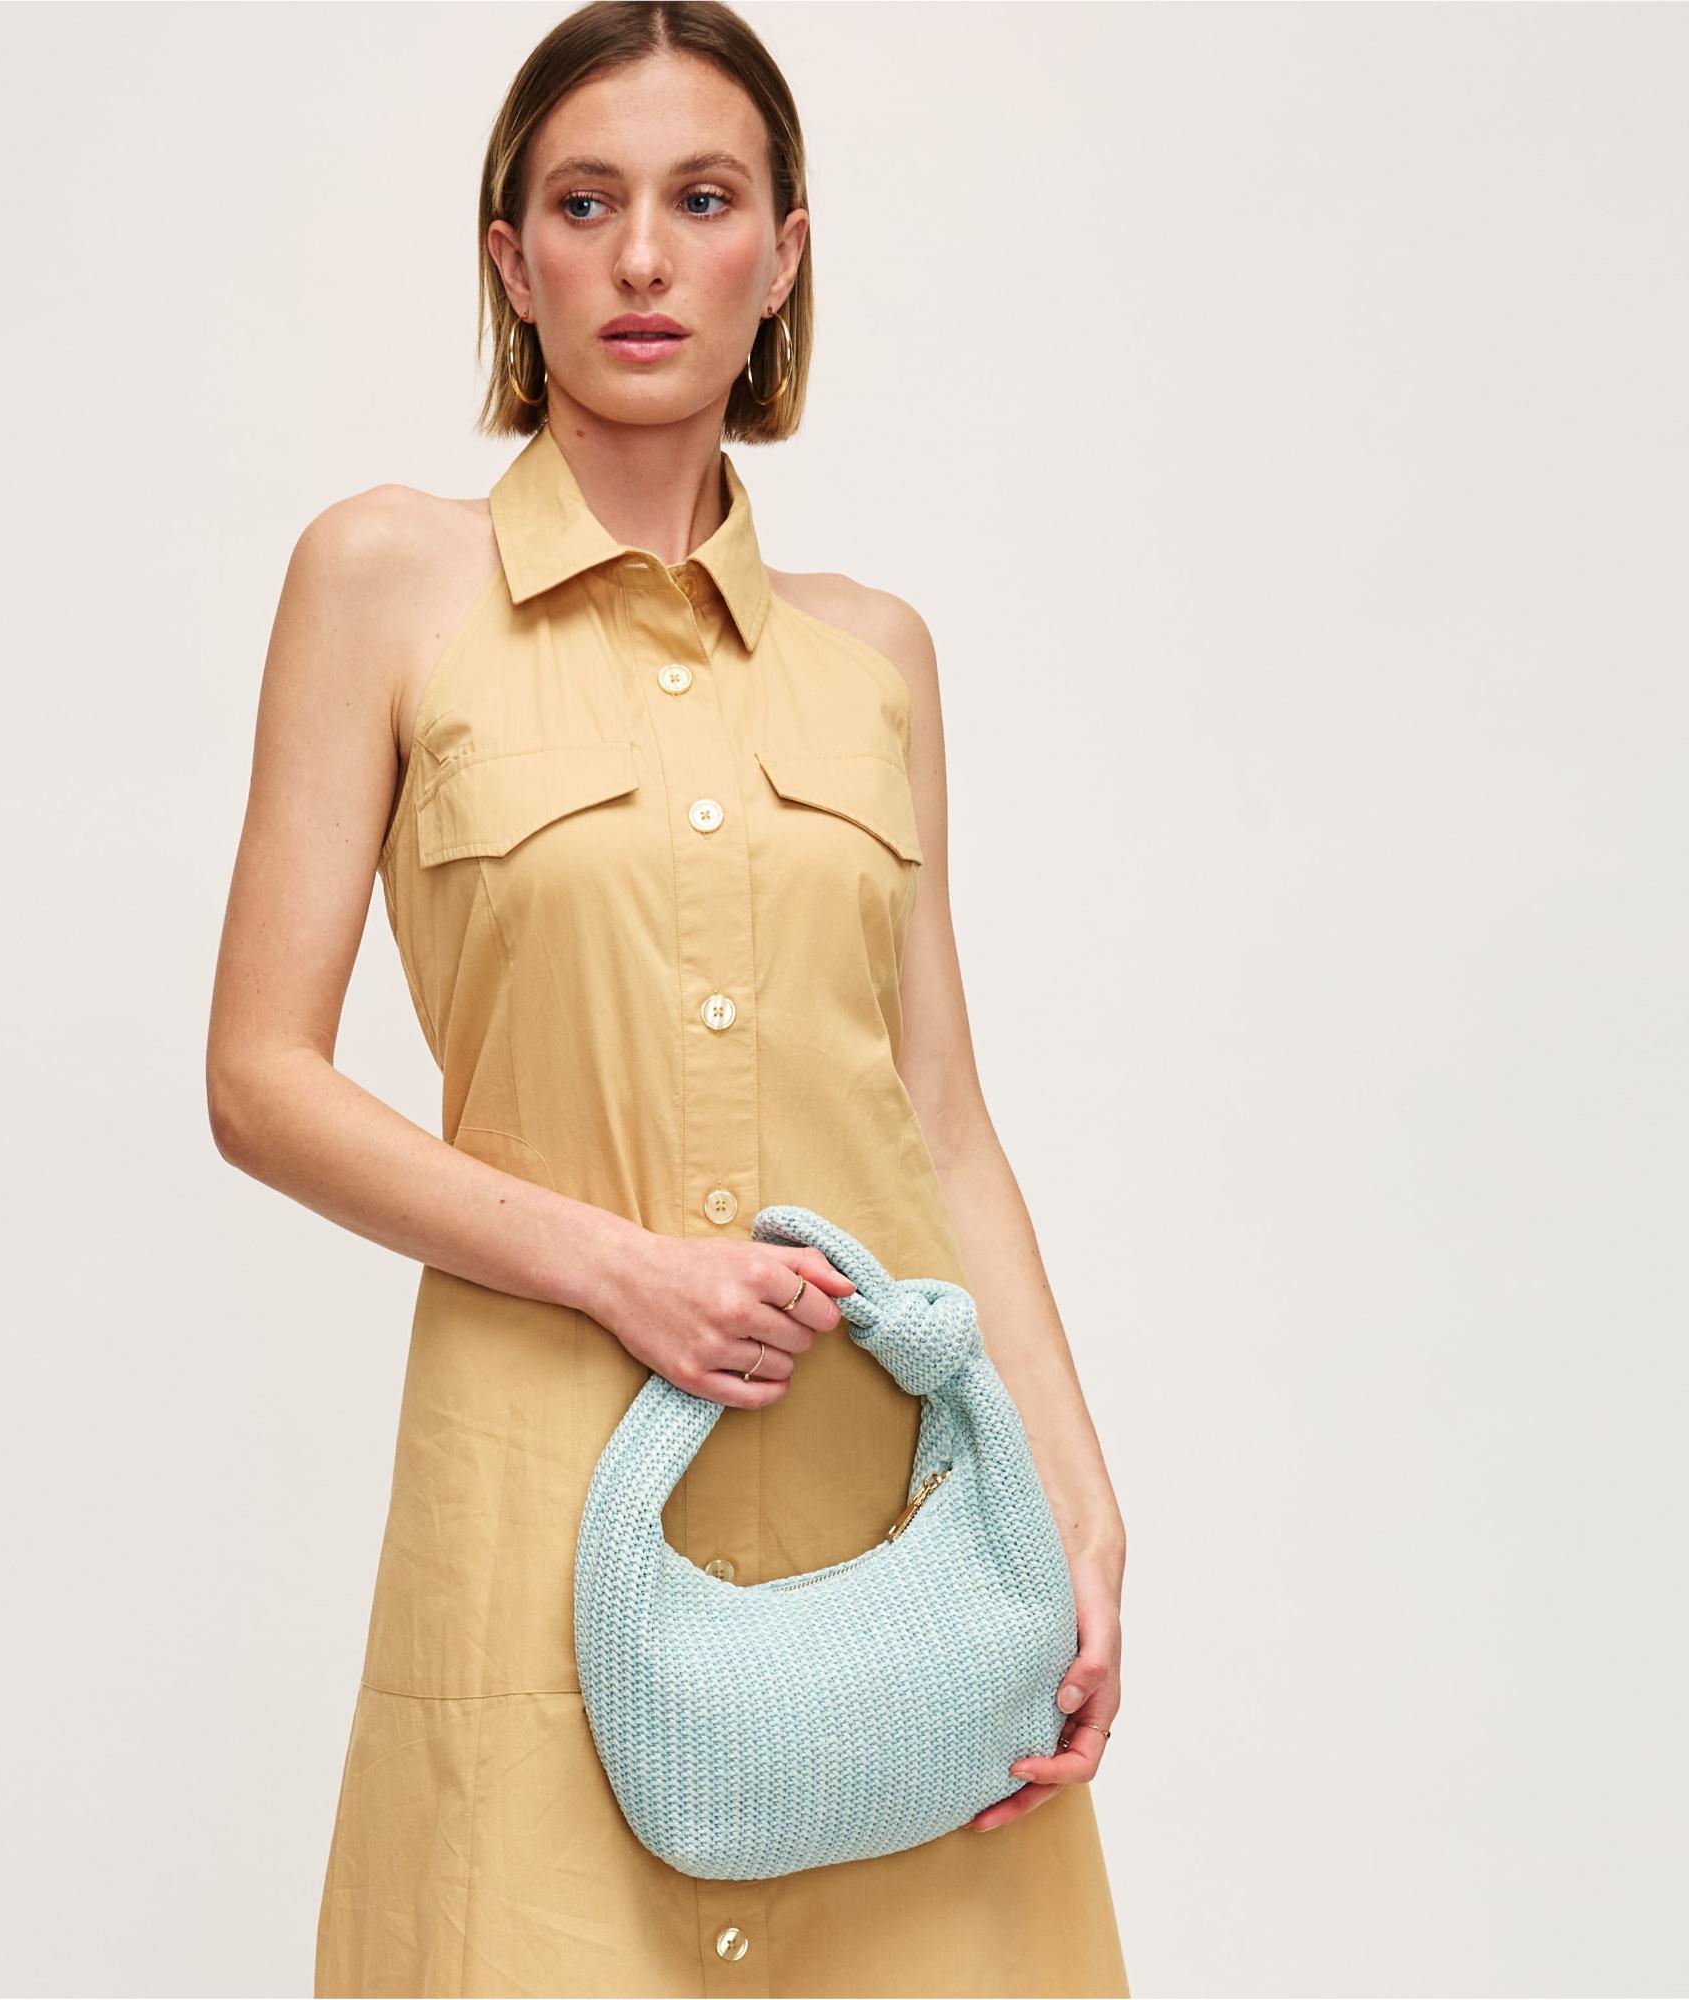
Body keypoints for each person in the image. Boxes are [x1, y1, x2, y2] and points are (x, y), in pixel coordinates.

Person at [206, 4, 1131, 1993]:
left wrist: (1074, 1495)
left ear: (781, 257)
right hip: (544, 1486)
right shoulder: (384, 579)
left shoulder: (876, 656)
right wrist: (626, 1273)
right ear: (508, 256)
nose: (641, 255)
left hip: (886, 1512)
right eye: (583, 203)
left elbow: (941, 1117)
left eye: (702, 201)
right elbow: (260, 1078)